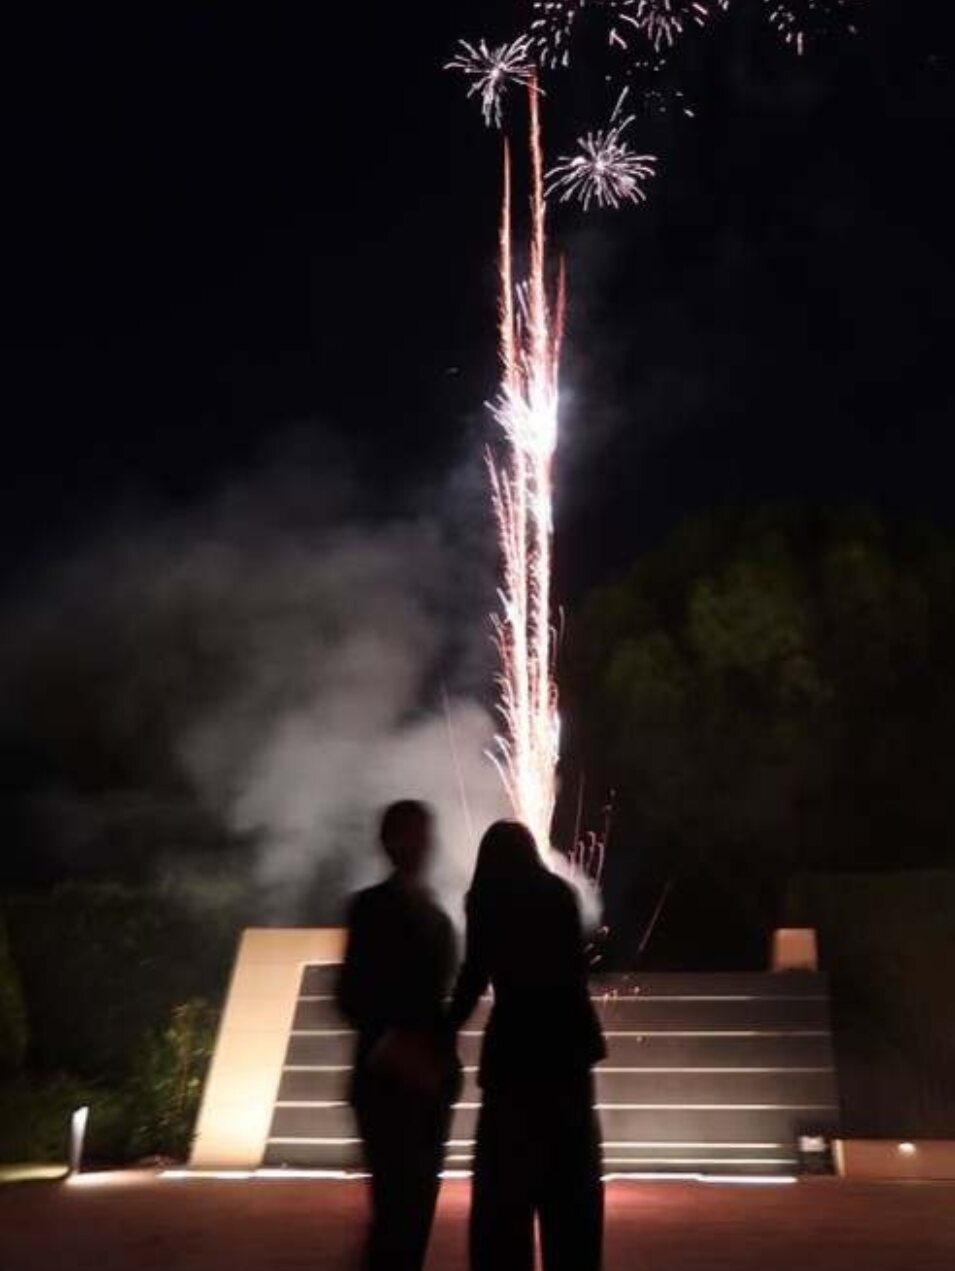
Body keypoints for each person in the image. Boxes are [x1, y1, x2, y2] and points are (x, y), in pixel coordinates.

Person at [449, 820, 606, 1271]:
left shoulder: (485, 900)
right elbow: (575, 971)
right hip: (569, 1053)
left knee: (505, 1198)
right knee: (572, 1193)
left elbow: (474, 977)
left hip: (514, 1057)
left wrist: (444, 1031)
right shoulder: (561, 894)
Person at [336, 800, 460, 1271]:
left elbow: (440, 1003)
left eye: (425, 833)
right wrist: (395, 1048)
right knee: (395, 1216)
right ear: (388, 842)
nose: (423, 844)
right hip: (386, 1086)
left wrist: (441, 1067)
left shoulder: (440, 918)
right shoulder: (369, 908)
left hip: (431, 1088)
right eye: (413, 833)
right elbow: (350, 995)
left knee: (414, 1218)